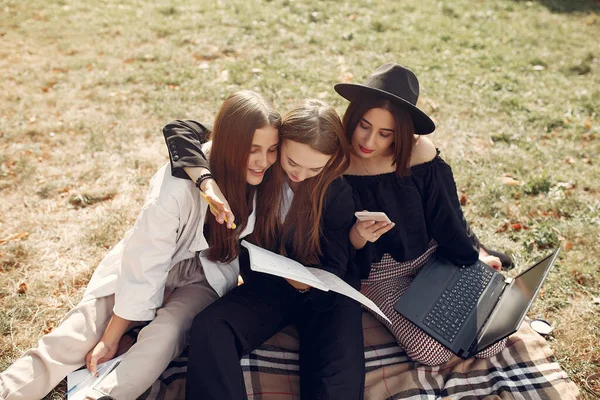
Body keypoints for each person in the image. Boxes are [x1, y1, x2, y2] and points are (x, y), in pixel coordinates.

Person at [0, 90, 281, 400]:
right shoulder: (175, 188)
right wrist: (112, 335)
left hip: (205, 276)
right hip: (148, 263)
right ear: (231, 144)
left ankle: (104, 396)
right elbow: (146, 261)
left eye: (271, 149)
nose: (264, 160)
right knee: (80, 331)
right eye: (253, 149)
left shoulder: (266, 180)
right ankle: (10, 390)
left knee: (168, 333)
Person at [162, 99, 365, 400]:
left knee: (338, 372)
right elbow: (179, 130)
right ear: (278, 144)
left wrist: (311, 281)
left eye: (314, 168)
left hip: (325, 295)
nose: (300, 174)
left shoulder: (336, 191)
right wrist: (205, 181)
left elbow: (337, 259)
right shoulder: (262, 166)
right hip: (270, 286)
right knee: (211, 326)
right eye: (292, 162)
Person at [336, 62, 508, 365]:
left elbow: (446, 216)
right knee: (429, 350)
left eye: (385, 133)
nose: (368, 141)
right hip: (377, 274)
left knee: (495, 335)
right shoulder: (333, 158)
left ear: (399, 134)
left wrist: (472, 256)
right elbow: (331, 235)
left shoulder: (419, 154)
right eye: (364, 125)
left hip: (431, 256)